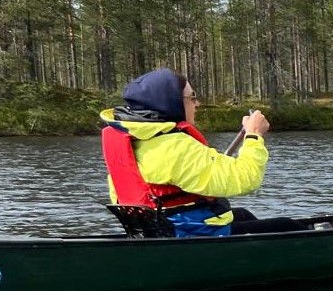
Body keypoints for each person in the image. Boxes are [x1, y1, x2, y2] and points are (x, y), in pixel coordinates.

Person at [100, 68, 303, 236]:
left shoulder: (137, 140)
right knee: (288, 226)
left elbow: (196, 177)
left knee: (243, 215)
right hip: (189, 234)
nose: (196, 104)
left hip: (160, 230)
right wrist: (254, 136)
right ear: (170, 102)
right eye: (192, 97)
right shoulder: (174, 147)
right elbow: (247, 179)